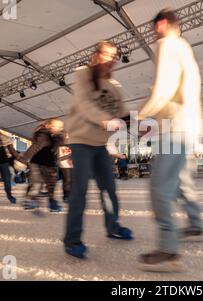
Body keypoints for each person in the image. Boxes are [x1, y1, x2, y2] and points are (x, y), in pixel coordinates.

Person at [136, 9, 203, 272]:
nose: (153, 34)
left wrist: (140, 116)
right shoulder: (186, 49)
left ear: (162, 24)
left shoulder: (167, 45)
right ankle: (192, 226)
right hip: (186, 130)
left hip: (175, 131)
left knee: (160, 189)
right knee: (178, 185)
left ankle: (169, 250)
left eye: (154, 28)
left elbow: (163, 88)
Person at [63, 40, 133, 260]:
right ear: (96, 55)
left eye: (114, 56)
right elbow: (84, 105)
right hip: (81, 141)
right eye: (106, 55)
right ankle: (72, 239)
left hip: (101, 145)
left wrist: (144, 125)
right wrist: (106, 122)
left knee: (109, 189)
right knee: (80, 191)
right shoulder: (83, 74)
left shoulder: (114, 86)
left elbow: (123, 113)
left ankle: (113, 226)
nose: (110, 60)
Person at [19, 119, 64, 213]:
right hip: (37, 162)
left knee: (51, 184)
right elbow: (35, 147)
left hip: (50, 163)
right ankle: (31, 200)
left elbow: (59, 150)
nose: (59, 128)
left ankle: (52, 203)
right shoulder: (43, 135)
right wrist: (23, 160)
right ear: (48, 126)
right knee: (36, 182)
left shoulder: (59, 137)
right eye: (56, 126)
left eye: (60, 127)